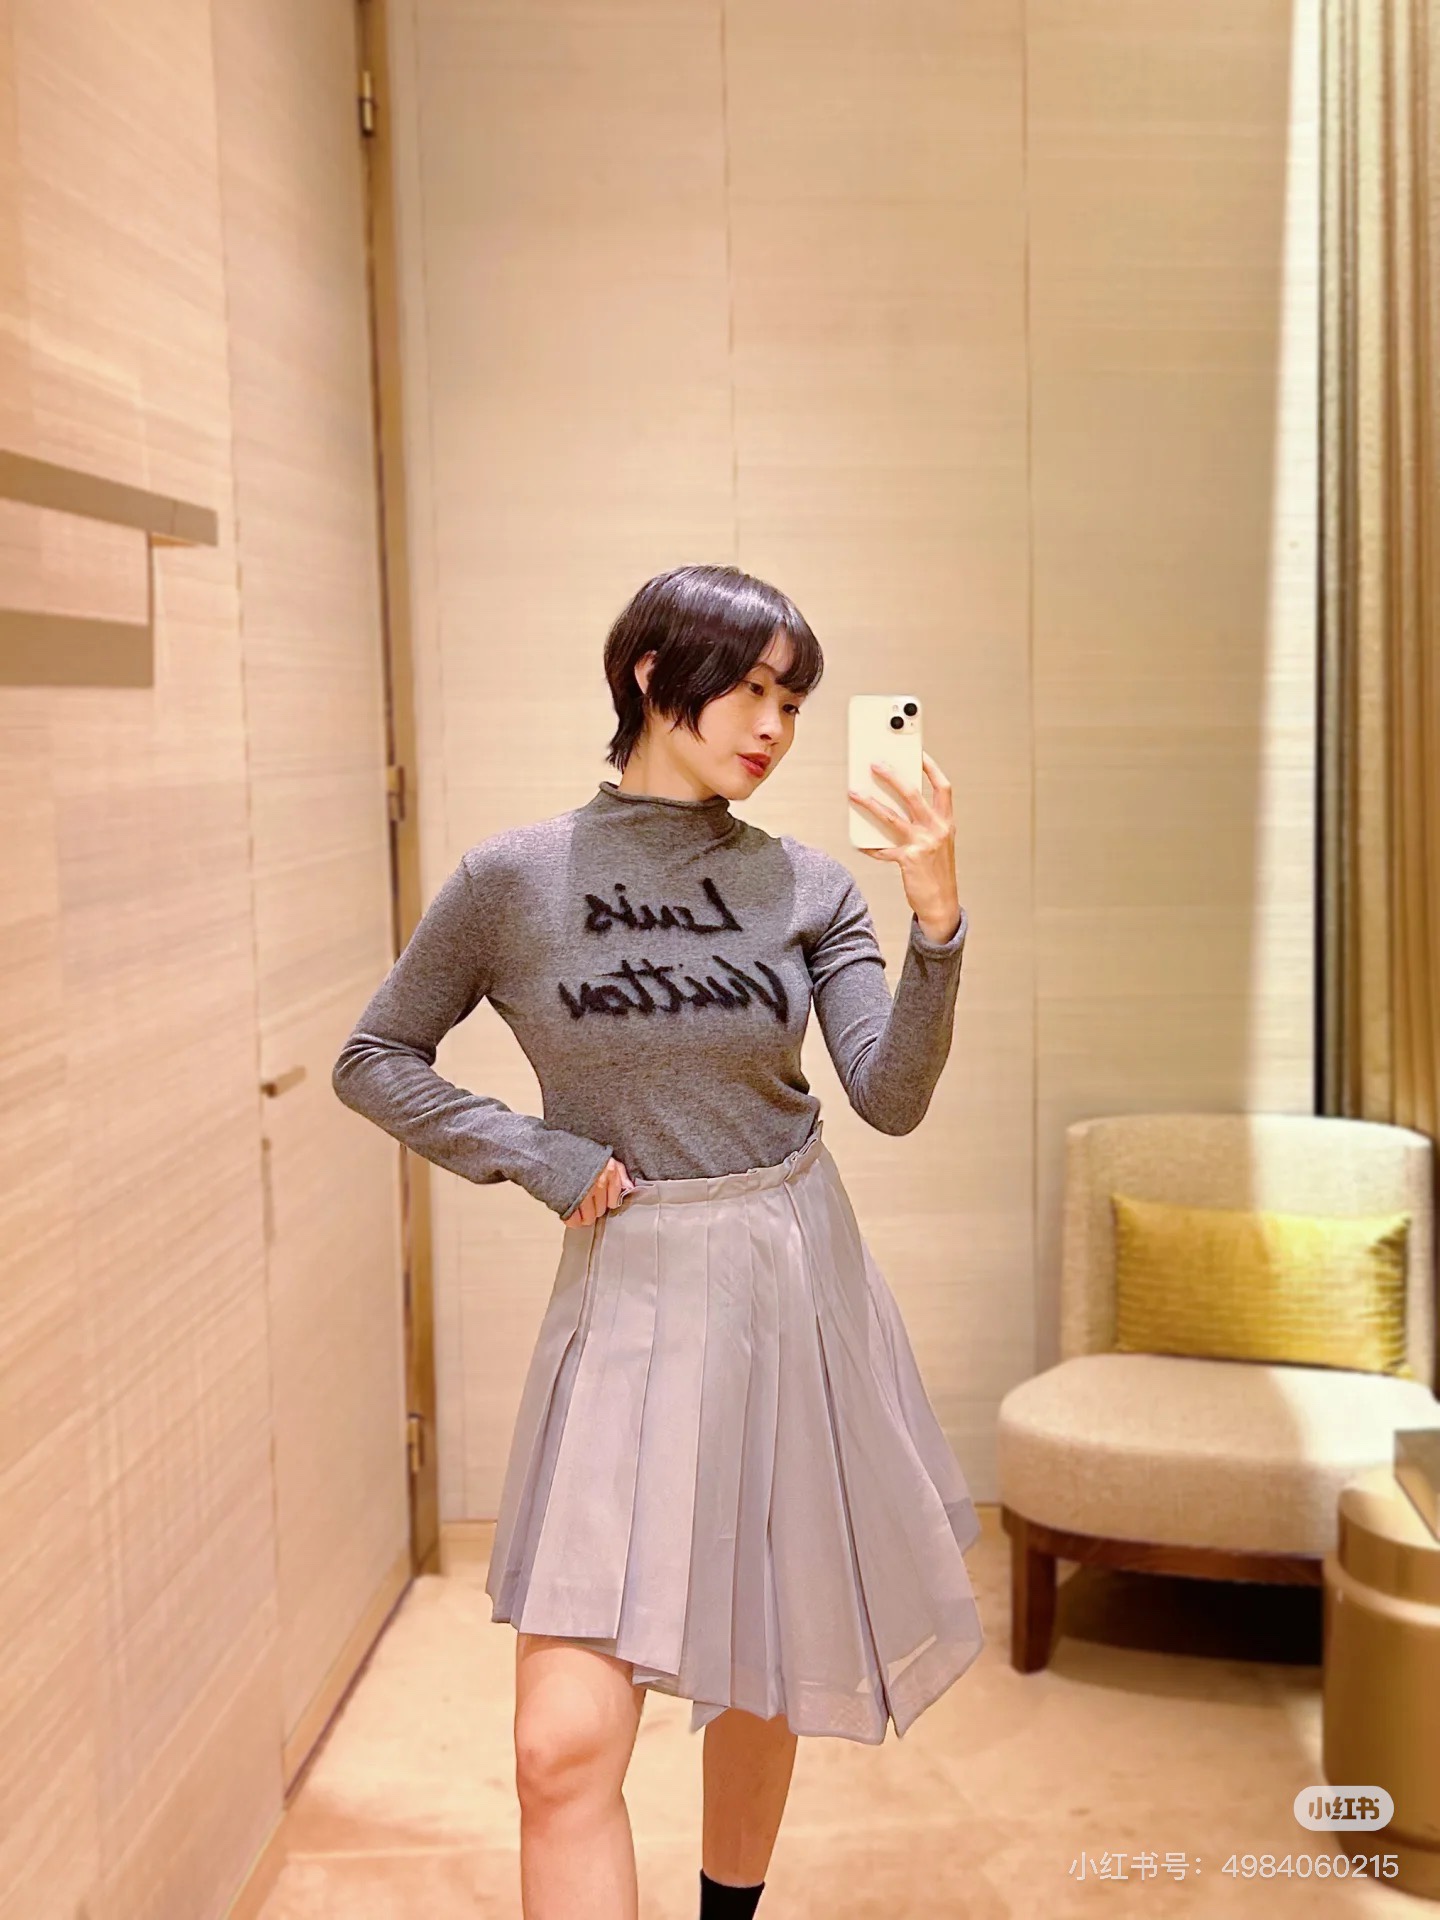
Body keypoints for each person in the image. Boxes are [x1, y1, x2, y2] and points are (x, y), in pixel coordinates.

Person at [331, 563, 984, 1920]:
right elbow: (375, 1055)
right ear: (649, 674)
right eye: (749, 689)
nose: (775, 727)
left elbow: (889, 1096)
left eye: (793, 701)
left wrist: (936, 926)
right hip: (631, 1282)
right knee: (559, 1749)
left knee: (764, 1660)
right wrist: (537, 1153)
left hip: (789, 1278)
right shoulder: (515, 878)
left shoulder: (808, 886)